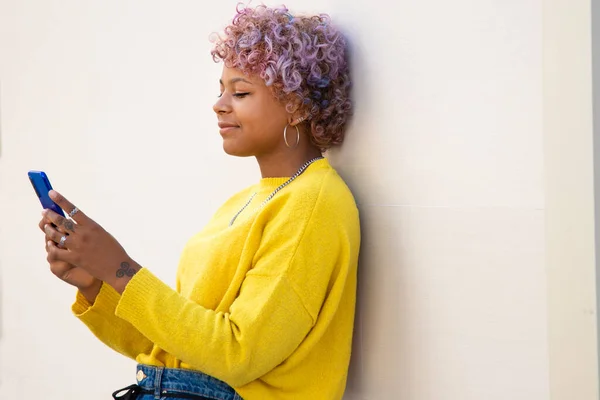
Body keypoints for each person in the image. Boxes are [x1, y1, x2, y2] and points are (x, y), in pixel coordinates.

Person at [38, 4, 359, 400]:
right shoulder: (242, 203)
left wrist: (119, 268)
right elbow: (175, 348)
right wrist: (93, 281)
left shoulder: (314, 204)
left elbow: (238, 354)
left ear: (297, 105)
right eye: (221, 90)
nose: (220, 104)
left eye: (240, 92)